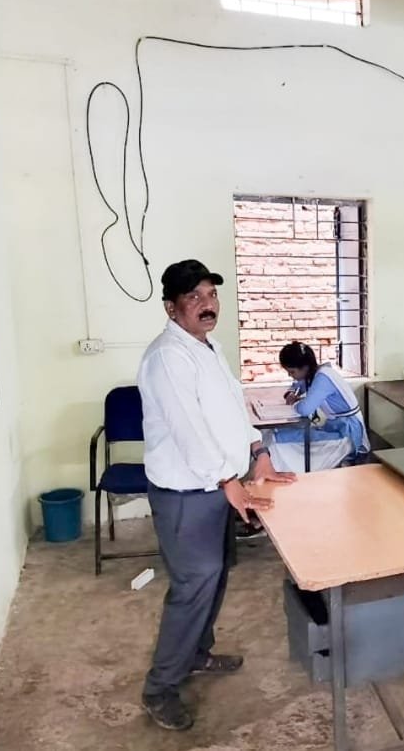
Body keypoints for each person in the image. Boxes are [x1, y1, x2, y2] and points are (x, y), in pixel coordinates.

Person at [137, 259, 295, 731]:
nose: (207, 305)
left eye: (211, 295)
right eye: (194, 298)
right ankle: (160, 688)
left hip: (218, 485)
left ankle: (196, 654)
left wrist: (258, 452)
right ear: (171, 308)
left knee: (216, 574)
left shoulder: (207, 347)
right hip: (187, 493)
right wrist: (230, 482)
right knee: (193, 585)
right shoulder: (168, 357)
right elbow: (189, 430)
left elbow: (231, 411)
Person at [266, 341, 369, 471]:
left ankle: (281, 471)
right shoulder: (316, 373)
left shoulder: (322, 378)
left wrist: (295, 403)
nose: (290, 375)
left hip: (348, 434)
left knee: (279, 439)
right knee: (277, 434)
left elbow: (305, 409)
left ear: (304, 367)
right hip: (336, 427)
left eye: (292, 372)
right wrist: (290, 393)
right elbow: (298, 385)